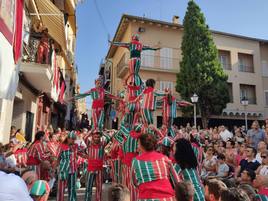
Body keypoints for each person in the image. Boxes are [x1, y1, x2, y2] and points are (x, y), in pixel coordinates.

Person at [131, 133, 179, 201]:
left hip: (146, 197)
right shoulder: (165, 158)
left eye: (138, 144)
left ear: (142, 146)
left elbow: (134, 183)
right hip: (168, 197)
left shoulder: (135, 161)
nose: (137, 146)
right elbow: (176, 180)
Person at [84, 130, 113, 201]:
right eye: (95, 137)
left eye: (98, 137)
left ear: (100, 138)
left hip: (99, 169)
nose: (96, 138)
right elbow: (85, 138)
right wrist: (92, 130)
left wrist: (101, 131)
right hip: (90, 169)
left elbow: (109, 138)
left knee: (99, 188)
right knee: (88, 187)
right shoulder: (89, 144)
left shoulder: (102, 145)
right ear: (92, 137)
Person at [57, 131, 80, 201]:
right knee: (61, 188)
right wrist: (56, 168)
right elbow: (57, 157)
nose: (73, 140)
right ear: (68, 138)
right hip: (63, 169)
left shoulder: (75, 146)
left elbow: (79, 153)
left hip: (73, 169)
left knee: (72, 188)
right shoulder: (61, 146)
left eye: (74, 139)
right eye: (72, 139)